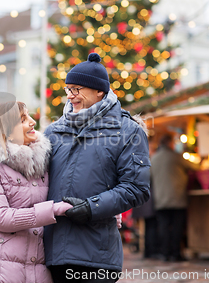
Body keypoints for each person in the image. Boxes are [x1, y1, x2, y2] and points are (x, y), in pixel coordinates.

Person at [44, 53, 151, 283]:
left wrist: (91, 208)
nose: (71, 96)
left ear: (99, 91)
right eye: (68, 89)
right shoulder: (53, 132)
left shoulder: (128, 131)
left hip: (96, 255)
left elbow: (137, 187)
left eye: (77, 89)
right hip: (51, 252)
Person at [0, 101, 73, 283]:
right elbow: (0, 217)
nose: (32, 122)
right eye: (23, 119)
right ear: (7, 130)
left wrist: (103, 211)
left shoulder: (42, 160)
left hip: (37, 261)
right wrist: (53, 210)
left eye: (29, 117)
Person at [150, 134, 200, 262]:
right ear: (170, 143)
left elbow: (148, 178)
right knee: (177, 227)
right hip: (177, 198)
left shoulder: (153, 159)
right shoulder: (176, 157)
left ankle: (165, 253)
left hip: (160, 200)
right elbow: (195, 167)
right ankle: (176, 253)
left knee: (163, 227)